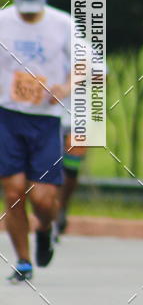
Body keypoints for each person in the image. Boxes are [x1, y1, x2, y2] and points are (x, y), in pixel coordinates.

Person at [0, 0, 73, 281]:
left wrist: (65, 88)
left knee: (43, 199)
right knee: (14, 191)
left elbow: (93, 66)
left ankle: (45, 227)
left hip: (46, 121)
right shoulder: (2, 23)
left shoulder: (62, 24)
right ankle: (24, 260)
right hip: (8, 117)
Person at [54, 101, 87, 236]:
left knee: (71, 171)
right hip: (48, 116)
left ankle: (61, 208)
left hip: (78, 119)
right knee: (50, 168)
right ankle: (52, 212)